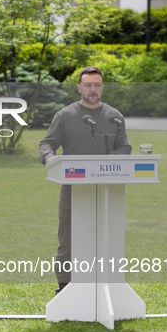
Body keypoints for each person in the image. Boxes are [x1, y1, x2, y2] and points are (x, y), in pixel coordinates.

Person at [39, 66, 132, 294]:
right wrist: (50, 157)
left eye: (97, 85)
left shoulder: (114, 116)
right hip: (73, 189)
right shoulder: (65, 115)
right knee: (68, 241)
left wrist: (109, 161)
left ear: (103, 87)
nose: (93, 89)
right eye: (88, 85)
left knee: (106, 239)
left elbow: (125, 147)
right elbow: (46, 144)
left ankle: (105, 287)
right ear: (79, 87)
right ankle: (65, 288)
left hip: (108, 190)